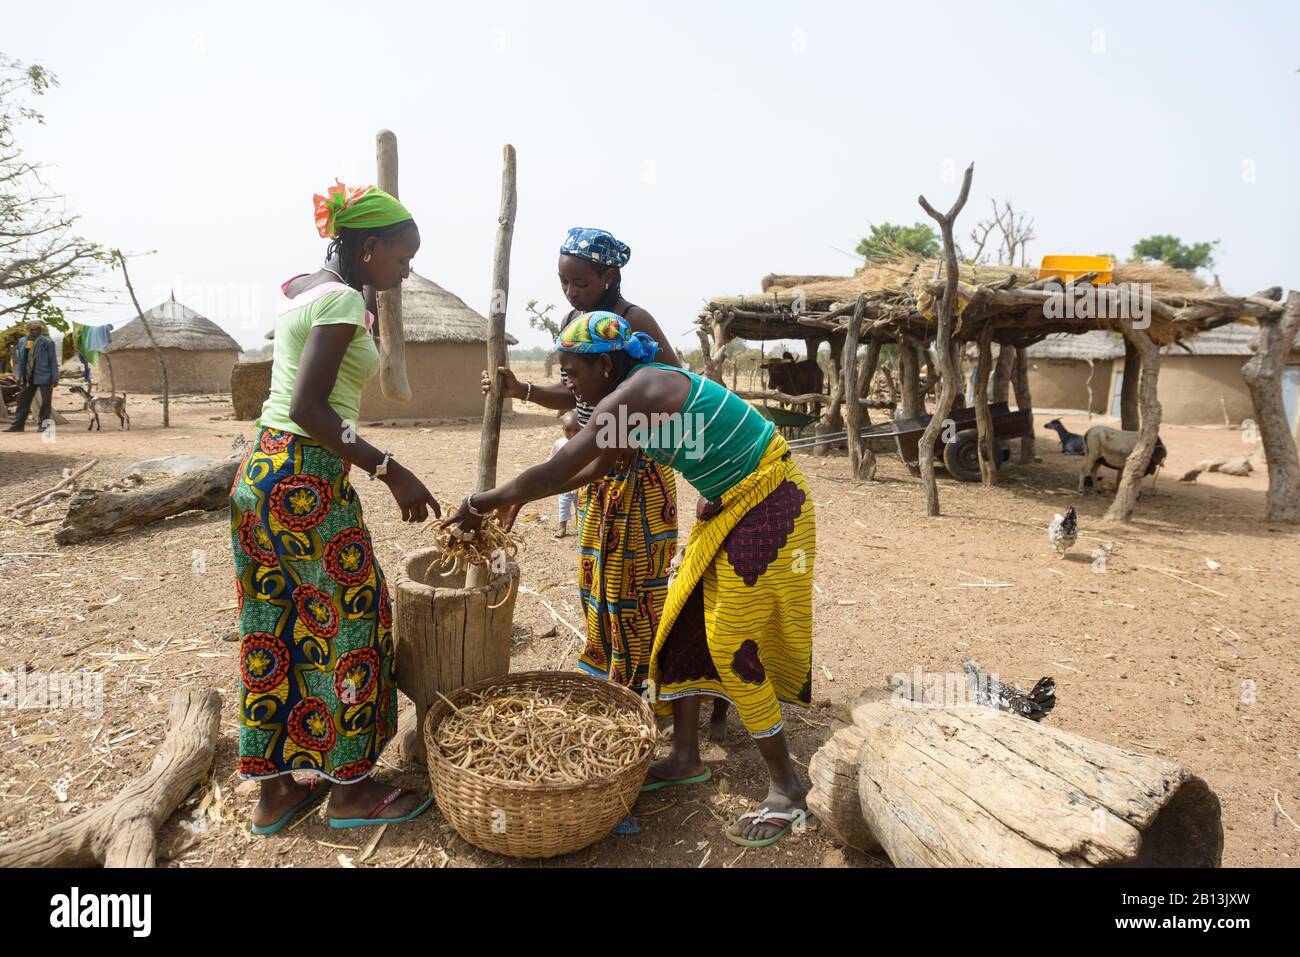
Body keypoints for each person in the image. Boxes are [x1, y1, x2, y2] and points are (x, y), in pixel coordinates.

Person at [447, 312, 816, 847]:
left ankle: (787, 789)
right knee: (680, 626)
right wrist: (519, 497)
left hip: (772, 501)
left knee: (732, 639)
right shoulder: (628, 399)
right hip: (731, 504)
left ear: (604, 363)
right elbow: (599, 467)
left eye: (573, 373)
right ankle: (686, 757)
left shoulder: (637, 391)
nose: (568, 385)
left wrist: (477, 503)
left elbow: (560, 467)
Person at [230, 180, 440, 835]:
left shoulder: (303, 288)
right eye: (402, 257)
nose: (408, 270)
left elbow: (346, 295)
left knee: (273, 622)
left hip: (259, 472)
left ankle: (275, 792)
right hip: (306, 479)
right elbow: (310, 408)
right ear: (369, 247)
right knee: (353, 620)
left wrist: (366, 276)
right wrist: (389, 467)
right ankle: (349, 791)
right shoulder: (344, 299)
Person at [480, 227, 687, 701]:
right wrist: (522, 391)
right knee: (598, 576)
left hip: (638, 474)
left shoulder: (636, 322)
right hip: (599, 471)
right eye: (564, 283)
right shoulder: (577, 320)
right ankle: (610, 669)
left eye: (581, 283)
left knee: (636, 583)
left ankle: (644, 686)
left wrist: (624, 434)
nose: (572, 293)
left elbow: (675, 389)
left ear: (609, 276)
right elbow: (577, 392)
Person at [4, 320, 59, 432]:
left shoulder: (47, 342)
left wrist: (55, 377)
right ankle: (18, 425)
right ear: (28, 330)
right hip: (28, 377)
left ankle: (43, 425)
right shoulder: (23, 341)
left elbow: (53, 360)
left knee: (45, 402)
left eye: (37, 329)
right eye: (32, 329)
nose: (34, 331)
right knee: (22, 401)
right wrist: (19, 376)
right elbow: (21, 360)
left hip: (45, 376)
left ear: (41, 329)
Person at [551, 410, 581, 537]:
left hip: (581, 484)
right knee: (563, 506)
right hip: (565, 484)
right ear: (562, 429)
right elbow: (551, 461)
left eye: (576, 430)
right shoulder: (559, 444)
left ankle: (581, 528)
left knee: (580, 508)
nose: (572, 434)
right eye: (568, 430)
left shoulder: (584, 444)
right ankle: (562, 528)